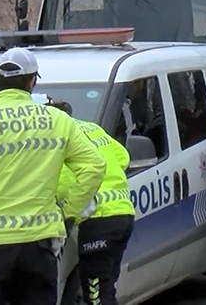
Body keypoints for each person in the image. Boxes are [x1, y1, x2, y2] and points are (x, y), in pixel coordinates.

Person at [0, 48, 106, 305]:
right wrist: (66, 213)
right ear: (31, 81)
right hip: (38, 245)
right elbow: (94, 166)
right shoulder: (59, 121)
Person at [55, 102, 137, 305]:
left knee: (96, 295)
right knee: (106, 288)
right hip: (122, 215)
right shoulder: (92, 128)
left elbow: (62, 182)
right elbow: (123, 157)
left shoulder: (58, 137)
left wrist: (63, 209)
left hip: (98, 220)